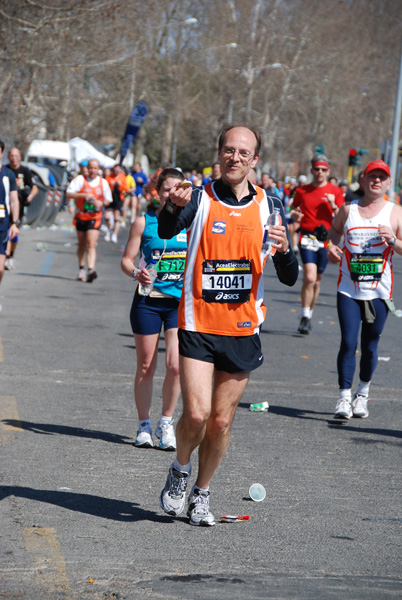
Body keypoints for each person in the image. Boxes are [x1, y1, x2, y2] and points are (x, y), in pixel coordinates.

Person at [157, 124, 299, 526]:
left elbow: (288, 275)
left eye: (243, 152)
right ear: (219, 154)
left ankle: (202, 493)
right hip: (198, 322)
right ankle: (180, 471)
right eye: (228, 150)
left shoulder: (270, 205)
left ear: (255, 160)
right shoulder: (198, 197)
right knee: (198, 415)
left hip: (242, 329)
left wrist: (286, 249)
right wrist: (171, 205)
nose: (235, 158)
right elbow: (167, 228)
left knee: (221, 421)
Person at [327, 160, 402, 420]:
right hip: (349, 288)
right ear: (363, 180)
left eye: (382, 177)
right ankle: (344, 398)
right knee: (348, 343)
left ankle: (362, 394)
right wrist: (331, 248)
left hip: (379, 292)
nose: (377, 181)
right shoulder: (348, 210)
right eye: (372, 176)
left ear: (389, 183)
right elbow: (334, 233)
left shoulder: (396, 212)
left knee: (370, 346)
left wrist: (393, 240)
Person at [121, 168, 187, 450]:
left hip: (178, 304)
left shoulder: (191, 224)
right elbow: (126, 260)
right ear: (157, 192)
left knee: (175, 366)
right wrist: (137, 272)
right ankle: (144, 425)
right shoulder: (143, 223)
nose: (171, 195)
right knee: (146, 366)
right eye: (166, 190)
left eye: (177, 189)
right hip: (147, 301)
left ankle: (166, 423)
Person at [291, 155, 344, 334]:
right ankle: (305, 315)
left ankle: (309, 314)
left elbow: (342, 217)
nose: (319, 172)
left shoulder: (335, 192)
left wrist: (333, 205)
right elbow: (293, 209)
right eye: (316, 169)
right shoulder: (302, 190)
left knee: (317, 281)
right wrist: (295, 215)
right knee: (310, 277)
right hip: (307, 237)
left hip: (326, 239)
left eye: (323, 169)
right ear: (311, 170)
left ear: (328, 171)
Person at [66, 158, 112, 282]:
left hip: (95, 217)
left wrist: (100, 203)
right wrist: (83, 195)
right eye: (90, 168)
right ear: (87, 168)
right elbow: (68, 193)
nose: (92, 170)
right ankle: (81, 269)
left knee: (91, 243)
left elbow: (108, 200)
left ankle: (91, 269)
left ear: (98, 169)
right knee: (81, 244)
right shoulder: (80, 180)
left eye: (95, 168)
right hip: (81, 216)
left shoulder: (103, 183)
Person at [5, 147, 38, 270]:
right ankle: (6, 256)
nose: (14, 158)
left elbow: (35, 187)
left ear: (20, 157)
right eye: (11, 156)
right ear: (8, 157)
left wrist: (30, 196)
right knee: (6, 232)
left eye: (16, 156)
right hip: (5, 206)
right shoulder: (4, 170)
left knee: (14, 234)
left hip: (19, 206)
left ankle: (11, 255)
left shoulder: (25, 171)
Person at [0, 140, 20, 293]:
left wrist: (14, 223)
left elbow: (14, 200)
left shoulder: (8, 175)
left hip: (2, 224)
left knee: (0, 268)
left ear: (1, 154)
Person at [105, 164, 130, 243]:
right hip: (110, 198)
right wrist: (110, 184)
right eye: (115, 170)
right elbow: (104, 186)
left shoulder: (122, 177)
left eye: (118, 170)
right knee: (107, 217)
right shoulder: (108, 177)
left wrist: (120, 184)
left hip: (118, 199)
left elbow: (127, 188)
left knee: (117, 218)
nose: (116, 171)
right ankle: (109, 230)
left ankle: (115, 234)